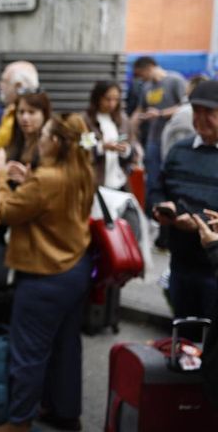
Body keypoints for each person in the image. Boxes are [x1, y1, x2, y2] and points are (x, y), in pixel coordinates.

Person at [0, 113, 96, 432]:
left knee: (29, 351)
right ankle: (65, 412)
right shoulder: (81, 170)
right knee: (65, 347)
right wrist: (27, 179)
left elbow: (4, 211)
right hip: (75, 267)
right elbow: (48, 205)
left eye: (46, 135)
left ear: (57, 142)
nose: (40, 139)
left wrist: (1, 174)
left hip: (45, 273)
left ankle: (18, 423)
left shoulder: (47, 179)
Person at [150, 80, 218, 324]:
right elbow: (157, 189)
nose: (200, 119)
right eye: (196, 112)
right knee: (184, 339)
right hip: (181, 264)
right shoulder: (179, 150)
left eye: (208, 113)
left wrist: (200, 222)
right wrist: (162, 207)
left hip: (214, 268)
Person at [131, 56, 187, 206]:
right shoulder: (147, 87)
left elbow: (185, 107)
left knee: (171, 176)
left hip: (172, 139)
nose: (141, 78)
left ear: (149, 67)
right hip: (153, 139)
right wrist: (130, 126)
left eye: (141, 74)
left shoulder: (175, 80)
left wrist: (160, 113)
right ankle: (155, 211)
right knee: (152, 179)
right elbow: (139, 109)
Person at [83, 81, 137, 190]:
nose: (112, 104)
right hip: (96, 181)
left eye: (116, 99)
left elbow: (132, 151)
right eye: (107, 99)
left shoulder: (123, 120)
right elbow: (84, 150)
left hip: (120, 181)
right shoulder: (86, 121)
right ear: (98, 98)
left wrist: (125, 150)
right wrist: (102, 147)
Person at [0, 61, 40, 148]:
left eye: (4, 81)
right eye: (21, 112)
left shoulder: (27, 118)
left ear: (18, 86)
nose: (0, 85)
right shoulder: (9, 111)